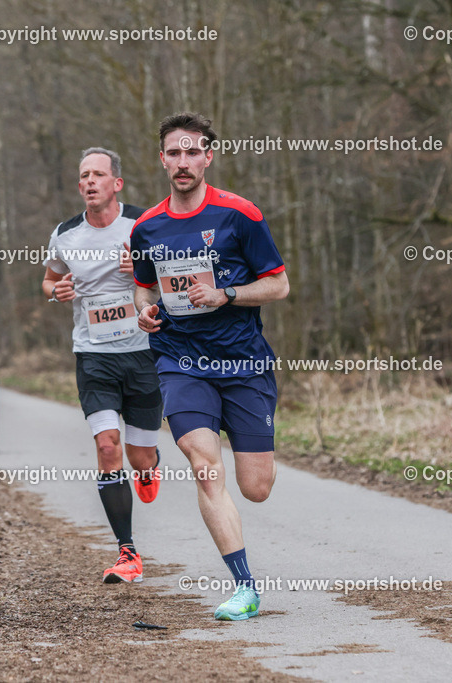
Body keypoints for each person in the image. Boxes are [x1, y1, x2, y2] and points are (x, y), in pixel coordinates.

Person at [131, 113, 289, 620]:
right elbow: (142, 286)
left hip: (243, 363)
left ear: (208, 156)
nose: (182, 162)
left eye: (191, 152)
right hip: (181, 361)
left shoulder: (240, 215)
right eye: (173, 153)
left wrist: (227, 293)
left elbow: (279, 285)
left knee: (256, 489)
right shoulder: (147, 227)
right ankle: (245, 587)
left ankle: (240, 432)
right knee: (204, 465)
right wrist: (144, 312)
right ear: (162, 159)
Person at [42, 147, 163, 584]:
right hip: (93, 355)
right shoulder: (65, 233)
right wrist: (55, 292)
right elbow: (50, 279)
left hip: (144, 352)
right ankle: (127, 553)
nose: (89, 182)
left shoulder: (145, 224)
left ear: (117, 183)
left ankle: (150, 467)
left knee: (139, 455)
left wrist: (144, 267)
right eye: (83, 176)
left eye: (97, 175)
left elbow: (175, 277)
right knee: (108, 448)